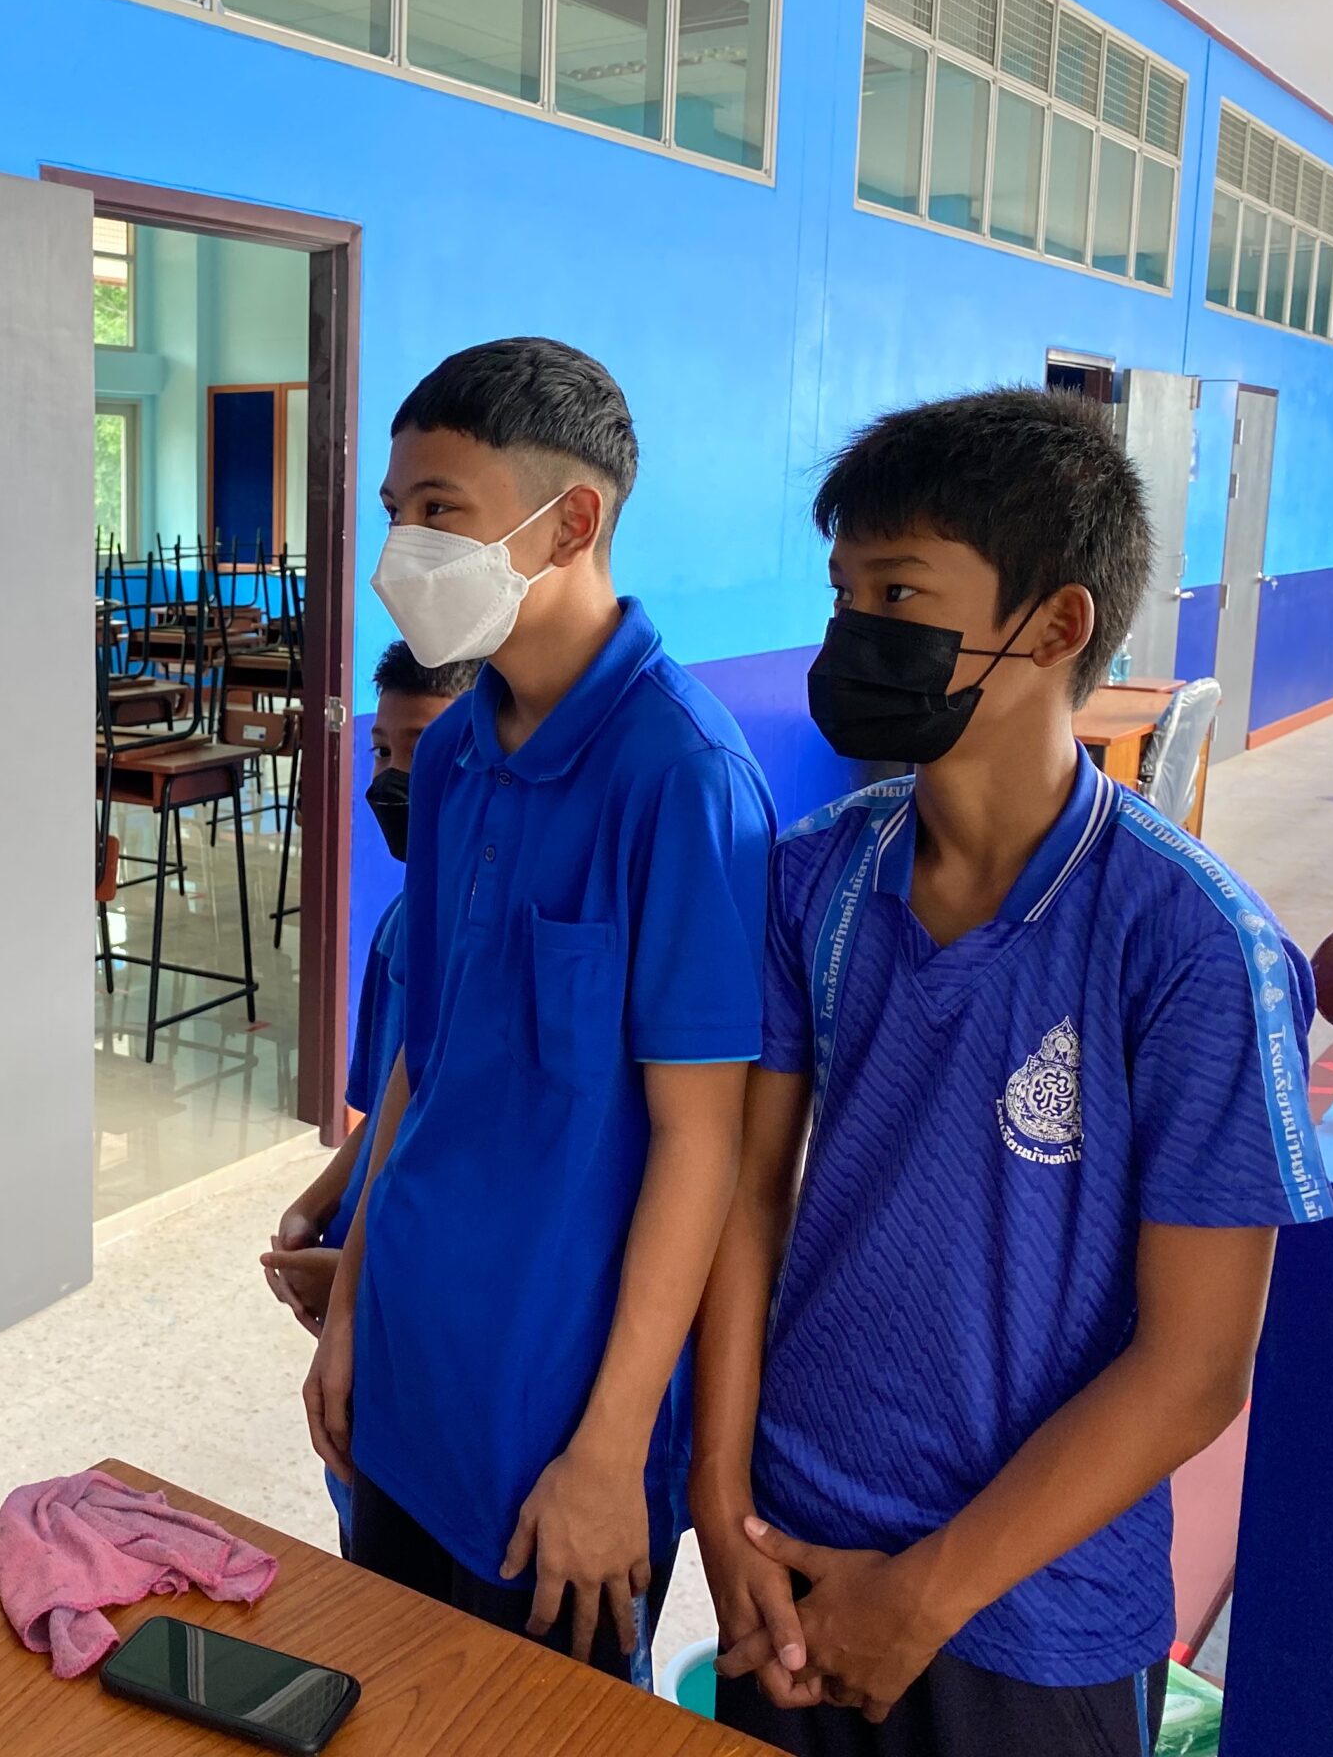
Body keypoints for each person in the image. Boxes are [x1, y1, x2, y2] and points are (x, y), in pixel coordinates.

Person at [694, 389, 1333, 1757]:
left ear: (1053, 627)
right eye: (842, 594)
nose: (852, 634)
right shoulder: (813, 879)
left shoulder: (1192, 947)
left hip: (1033, 1614)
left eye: (898, 593)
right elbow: (745, 1199)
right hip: (790, 1546)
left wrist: (922, 1597)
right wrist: (718, 1493)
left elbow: (1197, 1365)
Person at [305, 338, 775, 1683]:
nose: (399, 550)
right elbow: (421, 1057)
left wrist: (613, 1449)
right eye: (395, 509)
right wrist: (354, 1313)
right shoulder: (454, 752)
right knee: (383, 1699)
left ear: (570, 523)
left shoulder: (681, 779)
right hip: (410, 1366)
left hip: (558, 1416)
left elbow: (701, 1143)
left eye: (438, 509)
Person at [261, 640, 481, 1551]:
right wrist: (318, 1205)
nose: (393, 779)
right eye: (383, 751)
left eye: (422, 748)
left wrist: (362, 1276)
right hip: (361, 1295)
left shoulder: (483, 939)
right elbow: (387, 1108)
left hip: (421, 1303)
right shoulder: (401, 925)